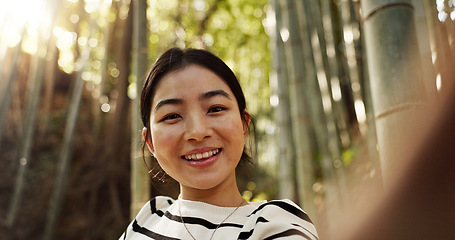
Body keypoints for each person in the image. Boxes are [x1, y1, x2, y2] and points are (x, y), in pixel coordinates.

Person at [119, 48, 319, 240]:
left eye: (215, 109)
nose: (197, 132)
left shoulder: (275, 225)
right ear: (150, 142)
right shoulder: (148, 218)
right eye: (172, 116)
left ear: (243, 125)